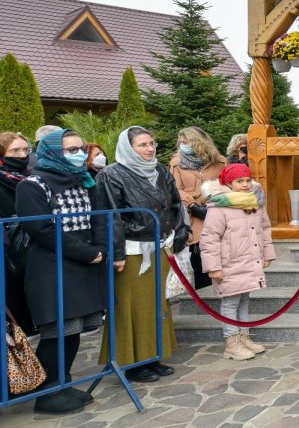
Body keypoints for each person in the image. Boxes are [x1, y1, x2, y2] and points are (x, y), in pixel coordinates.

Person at [15, 130, 108, 413]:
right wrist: (87, 252)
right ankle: (47, 392)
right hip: (53, 267)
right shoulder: (33, 184)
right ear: (53, 151)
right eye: (70, 149)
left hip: (83, 266)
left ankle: (63, 383)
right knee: (57, 331)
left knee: (74, 330)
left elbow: (99, 218)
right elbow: (41, 229)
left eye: (80, 148)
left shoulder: (83, 180)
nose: (78, 153)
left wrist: (101, 248)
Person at [96, 127, 189, 382]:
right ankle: (132, 363)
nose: (149, 149)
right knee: (131, 306)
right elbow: (110, 217)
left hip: (161, 244)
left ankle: (153, 355)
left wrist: (179, 235)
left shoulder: (159, 170)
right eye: (142, 145)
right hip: (132, 249)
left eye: (152, 143)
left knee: (157, 303)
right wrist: (117, 253)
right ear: (129, 148)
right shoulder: (111, 175)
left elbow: (174, 204)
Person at [199, 163, 276, 361]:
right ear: (228, 183)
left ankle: (243, 336)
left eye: (248, 180)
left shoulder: (255, 203)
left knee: (243, 299)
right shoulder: (219, 207)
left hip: (249, 260)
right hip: (229, 262)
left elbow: (264, 228)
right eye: (239, 181)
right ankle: (231, 343)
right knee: (230, 301)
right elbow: (210, 238)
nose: (245, 184)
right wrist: (213, 267)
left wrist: (266, 254)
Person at [169, 126, 226, 289]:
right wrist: (193, 204)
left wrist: (215, 200)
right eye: (180, 142)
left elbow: (227, 184)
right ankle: (203, 293)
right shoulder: (177, 164)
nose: (182, 145)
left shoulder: (219, 162)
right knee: (199, 252)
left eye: (185, 142)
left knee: (219, 251)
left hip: (216, 210)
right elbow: (175, 189)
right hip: (193, 215)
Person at [0, 132, 33, 335]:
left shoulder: (32, 176)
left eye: (24, 150)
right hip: (8, 248)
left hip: (33, 245)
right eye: (14, 151)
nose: (21, 155)